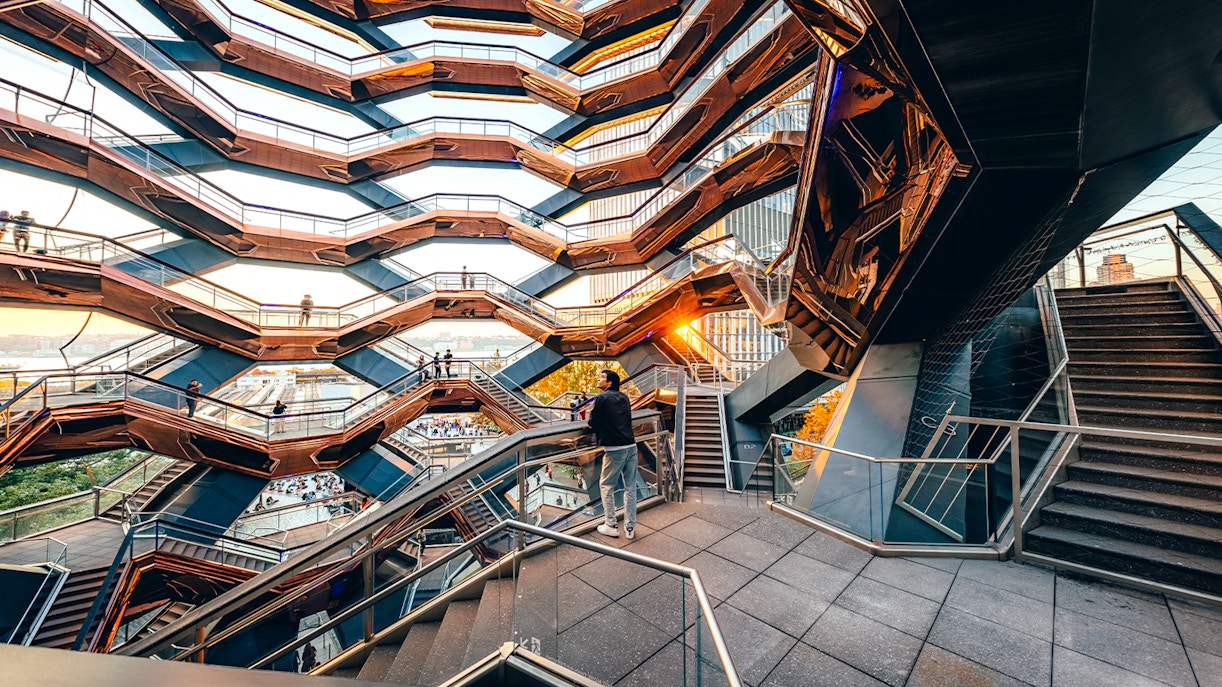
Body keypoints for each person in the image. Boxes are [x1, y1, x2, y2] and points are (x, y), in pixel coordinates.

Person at [589, 370, 638, 539]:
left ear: (609, 383)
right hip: (631, 445)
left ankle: (611, 524)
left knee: (606, 485)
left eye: (602, 377)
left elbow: (592, 423)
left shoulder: (601, 398)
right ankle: (630, 527)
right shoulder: (624, 397)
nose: (599, 379)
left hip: (614, 449)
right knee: (630, 487)